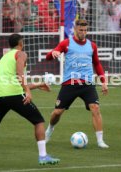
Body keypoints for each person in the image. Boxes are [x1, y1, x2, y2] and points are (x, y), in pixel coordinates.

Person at [0, 34, 60, 167]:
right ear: (21, 43)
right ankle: (43, 156)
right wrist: (27, 91)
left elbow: (12, 81)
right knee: (39, 121)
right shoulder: (21, 54)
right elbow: (19, 74)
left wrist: (37, 85)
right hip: (14, 95)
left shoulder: (4, 58)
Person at [45, 19, 109, 148]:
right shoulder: (66, 43)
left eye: (85, 30)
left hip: (87, 84)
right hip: (70, 83)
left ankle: (100, 140)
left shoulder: (92, 45)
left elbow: (97, 63)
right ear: (75, 29)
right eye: (81, 30)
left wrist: (103, 82)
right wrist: (53, 53)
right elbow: (48, 57)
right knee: (57, 112)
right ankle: (50, 128)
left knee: (95, 108)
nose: (83, 33)